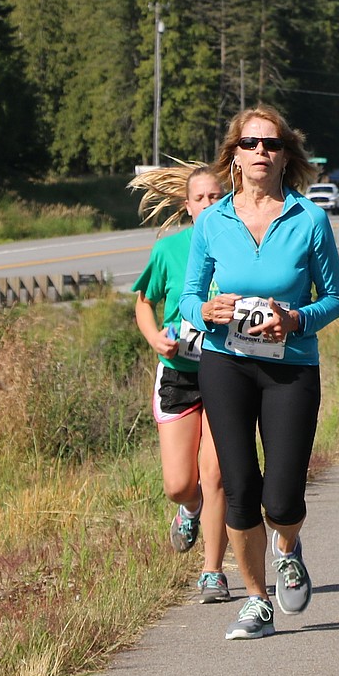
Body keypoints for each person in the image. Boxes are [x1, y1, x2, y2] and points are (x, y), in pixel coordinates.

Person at [180, 106, 339, 640]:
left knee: (282, 496)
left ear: (285, 155)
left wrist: (296, 318)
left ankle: (288, 547)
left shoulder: (310, 219)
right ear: (234, 154)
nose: (260, 153)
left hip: (290, 366)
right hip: (225, 363)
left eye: (270, 145)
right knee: (237, 486)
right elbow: (187, 296)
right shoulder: (212, 221)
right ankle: (256, 600)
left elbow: (336, 299)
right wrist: (203, 313)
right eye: (249, 144)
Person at [129, 163, 230, 602]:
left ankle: (212, 572)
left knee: (216, 476)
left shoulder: (239, 247)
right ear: (187, 207)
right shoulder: (169, 250)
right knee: (179, 484)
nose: (208, 204)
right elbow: (143, 303)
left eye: (215, 197)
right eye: (200, 198)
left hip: (227, 371)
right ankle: (189, 510)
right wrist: (155, 338)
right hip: (179, 374)